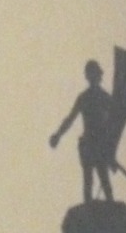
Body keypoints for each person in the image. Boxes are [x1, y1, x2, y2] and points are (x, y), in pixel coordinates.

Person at [50, 61, 118, 204]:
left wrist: (111, 154)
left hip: (100, 145)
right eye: (91, 74)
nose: (94, 77)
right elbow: (70, 119)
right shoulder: (85, 98)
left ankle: (108, 209)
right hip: (88, 145)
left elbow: (115, 123)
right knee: (89, 182)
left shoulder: (105, 98)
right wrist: (58, 135)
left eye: (95, 74)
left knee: (104, 182)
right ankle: (90, 209)